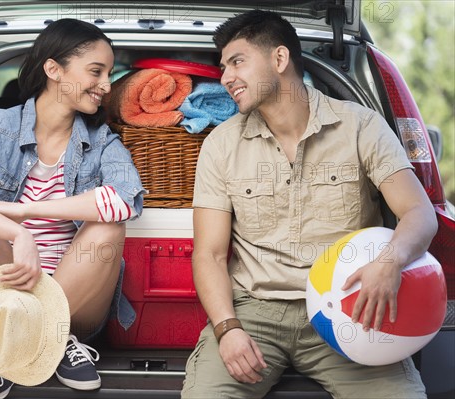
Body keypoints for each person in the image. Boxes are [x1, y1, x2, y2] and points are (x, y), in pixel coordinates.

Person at [182, 10, 437, 399]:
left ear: (279, 59)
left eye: (237, 62)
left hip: (353, 308)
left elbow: (420, 213)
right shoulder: (221, 144)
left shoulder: (361, 126)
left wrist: (390, 262)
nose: (225, 77)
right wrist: (226, 328)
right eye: (223, 67)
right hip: (255, 314)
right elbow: (210, 255)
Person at [0, 19, 145, 399]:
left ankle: (9, 352)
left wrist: (29, 212)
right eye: (96, 71)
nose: (107, 85)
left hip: (73, 305)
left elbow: (127, 198)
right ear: (53, 69)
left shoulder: (101, 139)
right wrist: (17, 234)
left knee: (110, 224)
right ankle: (36, 343)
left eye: (109, 73)